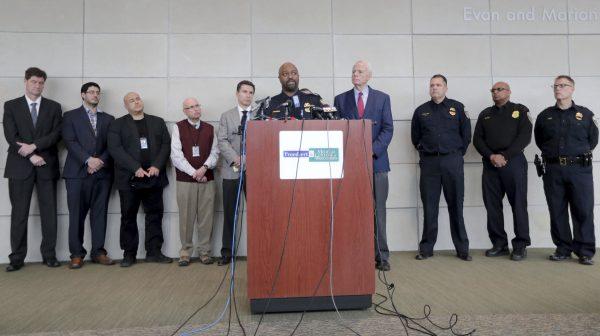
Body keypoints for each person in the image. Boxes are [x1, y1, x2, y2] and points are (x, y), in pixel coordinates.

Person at [334, 60, 394, 271]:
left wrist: (371, 150)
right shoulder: (340, 99)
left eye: (360, 71)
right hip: (350, 165)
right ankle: (354, 254)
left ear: (369, 76)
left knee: (378, 211)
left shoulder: (382, 98)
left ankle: (382, 256)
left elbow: (388, 129)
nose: (355, 74)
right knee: (351, 210)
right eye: (353, 71)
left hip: (377, 164)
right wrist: (354, 153)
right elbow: (338, 130)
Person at [3, 67, 62, 272]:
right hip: (20, 167)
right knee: (19, 213)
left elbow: (56, 134)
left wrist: (35, 147)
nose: (37, 86)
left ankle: (49, 255)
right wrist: (30, 155)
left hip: (46, 166)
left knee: (49, 213)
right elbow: (11, 136)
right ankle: (17, 258)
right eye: (34, 82)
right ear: (26, 81)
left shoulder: (54, 107)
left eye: (41, 82)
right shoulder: (11, 106)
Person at [534, 75, 598, 266]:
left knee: (583, 210)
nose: (558, 89)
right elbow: (540, 140)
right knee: (557, 210)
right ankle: (563, 248)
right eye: (555, 86)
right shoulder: (545, 116)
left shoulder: (585, 115)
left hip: (579, 169)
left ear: (572, 89)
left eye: (563, 85)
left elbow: (593, 140)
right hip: (553, 169)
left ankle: (585, 251)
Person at [411, 74, 472, 261]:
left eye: (438, 85)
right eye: (432, 85)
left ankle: (462, 249)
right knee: (430, 207)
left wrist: (455, 154)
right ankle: (426, 249)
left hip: (452, 162)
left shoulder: (458, 108)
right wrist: (426, 152)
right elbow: (415, 138)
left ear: (446, 87)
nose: (434, 88)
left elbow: (466, 135)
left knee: (456, 205)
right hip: (430, 164)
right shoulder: (421, 111)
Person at [107, 92, 172, 267]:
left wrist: (157, 165)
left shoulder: (157, 122)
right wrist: (135, 168)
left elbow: (166, 144)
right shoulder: (117, 124)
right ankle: (129, 254)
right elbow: (115, 149)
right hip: (129, 179)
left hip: (153, 177)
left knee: (155, 216)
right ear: (126, 106)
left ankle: (154, 252)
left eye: (138, 99)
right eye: (131, 100)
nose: (136, 102)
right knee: (128, 217)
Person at [62, 82, 115, 269]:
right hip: (76, 174)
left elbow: (112, 145)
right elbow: (70, 141)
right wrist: (88, 160)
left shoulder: (109, 119)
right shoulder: (70, 116)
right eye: (91, 92)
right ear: (83, 95)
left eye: (97, 93)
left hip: (102, 174)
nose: (95, 95)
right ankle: (76, 254)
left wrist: (99, 161)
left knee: (100, 214)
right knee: (76, 214)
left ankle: (98, 252)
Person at [170, 98, 219, 266]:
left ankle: (205, 252)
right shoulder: (178, 127)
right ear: (185, 111)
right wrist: (195, 173)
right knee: (186, 217)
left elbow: (215, 153)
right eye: (190, 107)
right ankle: (185, 252)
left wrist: (204, 168)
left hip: (207, 179)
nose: (195, 109)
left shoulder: (210, 128)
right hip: (186, 181)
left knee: (206, 218)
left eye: (197, 105)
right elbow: (176, 156)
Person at [217, 80, 255, 266]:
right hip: (231, 171)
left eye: (250, 92)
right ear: (237, 94)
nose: (248, 95)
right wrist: (235, 158)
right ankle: (227, 253)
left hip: (254, 172)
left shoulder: (259, 116)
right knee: (230, 213)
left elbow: (264, 141)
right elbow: (222, 141)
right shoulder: (226, 116)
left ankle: (258, 251)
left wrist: (248, 158)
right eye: (244, 91)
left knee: (256, 213)